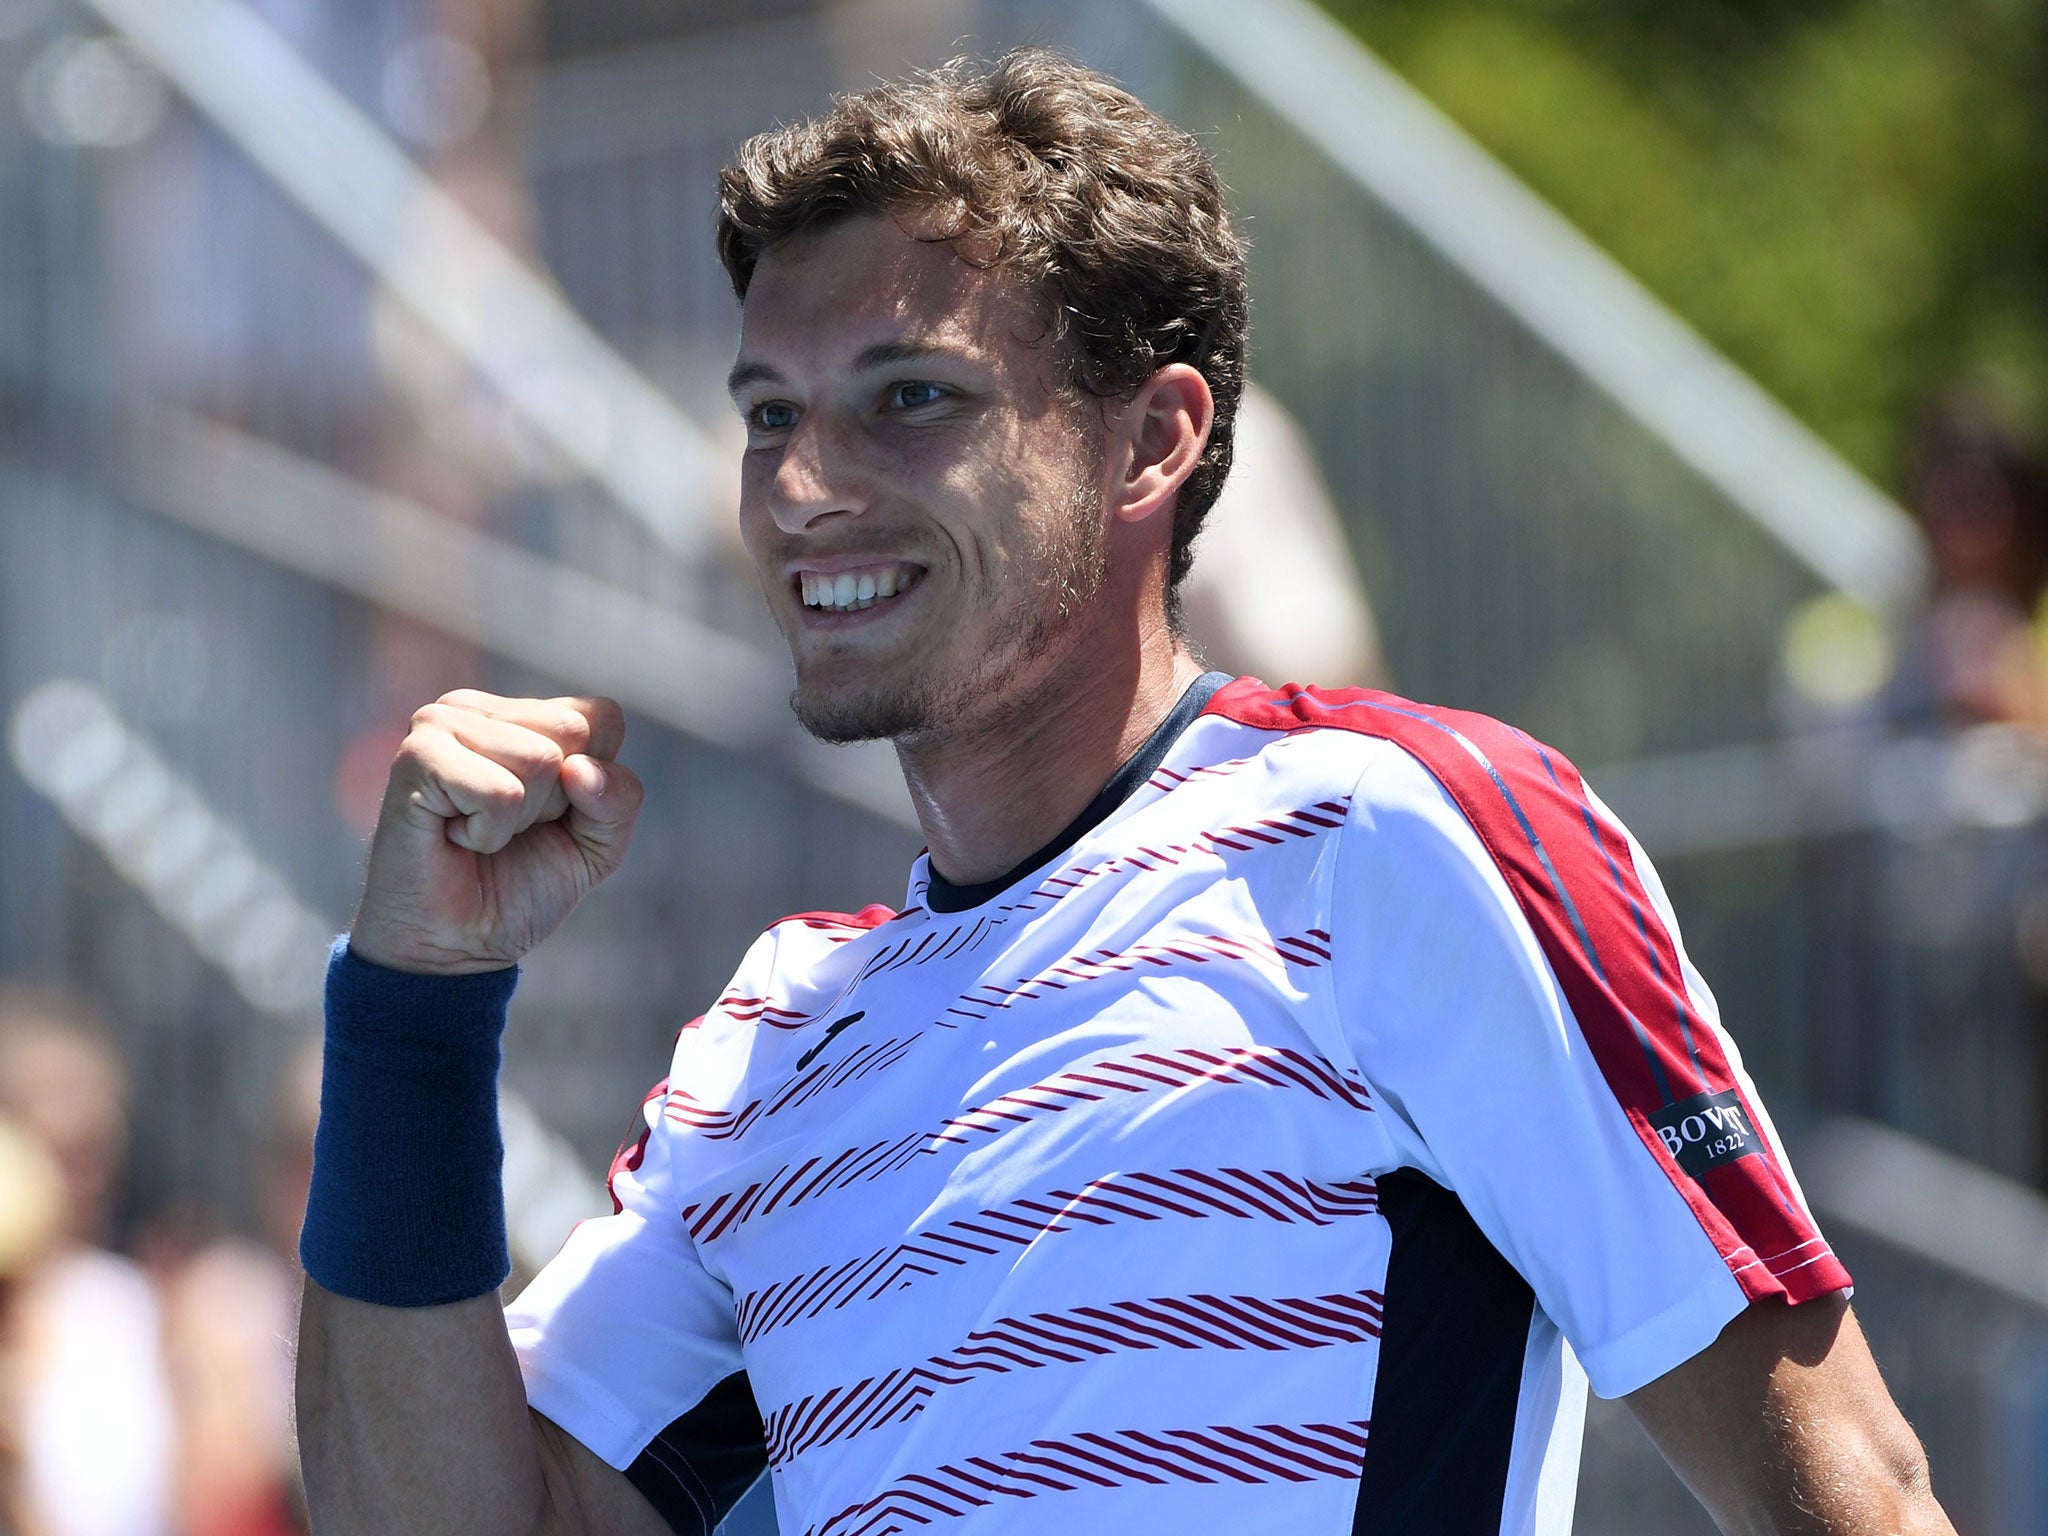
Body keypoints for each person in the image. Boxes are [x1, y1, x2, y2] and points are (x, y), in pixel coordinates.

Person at [293, 49, 1955, 1536]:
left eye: (910, 400)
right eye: (769, 417)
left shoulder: (1388, 835)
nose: (803, 489)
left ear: (1151, 444)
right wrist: (410, 1012)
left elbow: (1847, 1493)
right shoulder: (773, 1044)